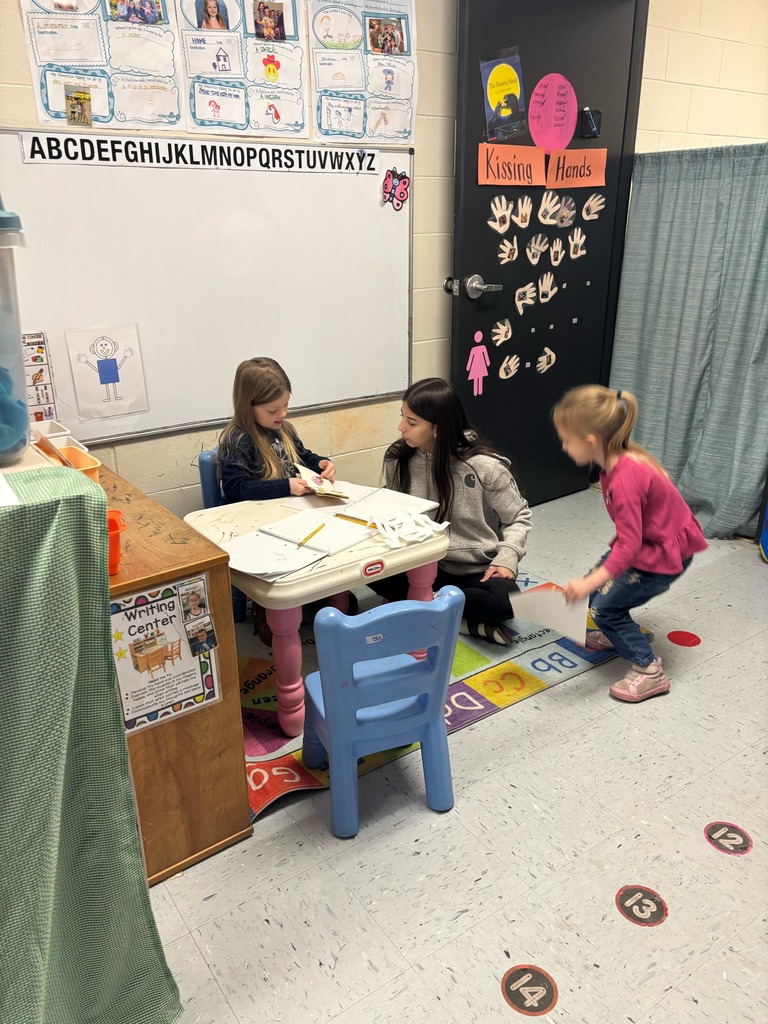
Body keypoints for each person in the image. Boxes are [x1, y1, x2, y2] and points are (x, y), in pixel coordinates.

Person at [553, 385, 707, 702]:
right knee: (594, 588)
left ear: (591, 441)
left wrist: (592, 581)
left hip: (662, 554)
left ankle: (649, 671)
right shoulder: (614, 463)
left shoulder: (624, 476)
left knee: (604, 609)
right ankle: (614, 633)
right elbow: (630, 538)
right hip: (646, 543)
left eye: (567, 439)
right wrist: (593, 580)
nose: (564, 447)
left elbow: (629, 547)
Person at [375, 377, 532, 645]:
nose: (401, 427)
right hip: (421, 562)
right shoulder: (399, 457)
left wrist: (507, 557)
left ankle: (421, 606)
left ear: (437, 428)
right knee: (365, 572)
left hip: (473, 570)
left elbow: (518, 517)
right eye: (403, 417)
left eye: (412, 422)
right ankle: (461, 621)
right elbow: (396, 511)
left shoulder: (485, 467)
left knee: (505, 602)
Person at [217, 357, 336, 502]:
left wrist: (320, 464)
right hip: (254, 516)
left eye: (286, 405)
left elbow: (302, 457)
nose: (283, 414)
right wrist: (286, 486)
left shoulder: (284, 429)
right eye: (273, 410)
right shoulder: (239, 440)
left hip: (285, 509)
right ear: (248, 408)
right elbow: (236, 488)